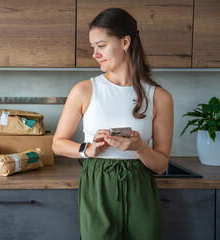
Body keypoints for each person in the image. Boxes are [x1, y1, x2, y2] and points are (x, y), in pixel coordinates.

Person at [52, 8, 174, 240]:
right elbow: (57, 144)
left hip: (141, 189)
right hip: (98, 186)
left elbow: (160, 165)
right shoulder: (84, 90)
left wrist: (139, 147)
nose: (95, 54)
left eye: (101, 45)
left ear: (125, 42)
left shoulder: (160, 97)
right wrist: (87, 149)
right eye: (93, 48)